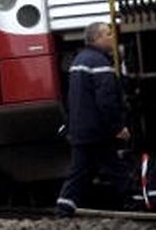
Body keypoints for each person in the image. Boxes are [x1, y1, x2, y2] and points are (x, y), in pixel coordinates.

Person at [56, 21, 132, 217]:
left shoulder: (79, 61)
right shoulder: (99, 64)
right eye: (108, 34)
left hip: (81, 129)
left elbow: (72, 98)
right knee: (114, 167)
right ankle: (135, 199)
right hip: (97, 130)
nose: (112, 38)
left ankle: (64, 207)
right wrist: (117, 127)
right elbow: (106, 100)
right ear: (97, 38)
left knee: (80, 170)